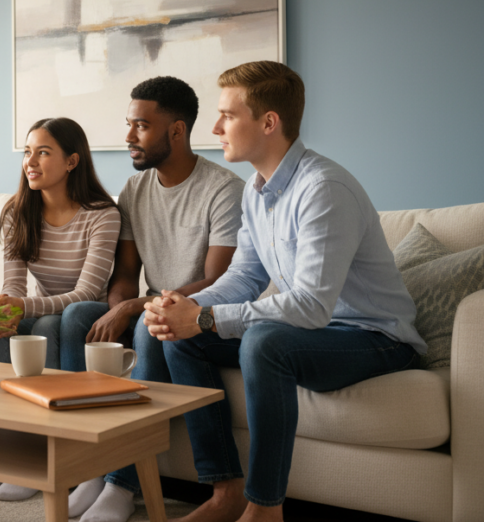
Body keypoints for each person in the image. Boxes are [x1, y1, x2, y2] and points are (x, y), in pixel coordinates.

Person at [142, 61, 425, 522]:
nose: (214, 127)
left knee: (265, 340)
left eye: (227, 116)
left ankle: (264, 508)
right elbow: (244, 277)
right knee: (184, 333)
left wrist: (206, 317)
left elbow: (311, 306)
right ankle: (225, 492)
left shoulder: (324, 189)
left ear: (268, 122)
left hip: (375, 338)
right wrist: (189, 308)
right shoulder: (256, 191)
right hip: (315, 334)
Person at [62, 76, 245, 521]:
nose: (128, 137)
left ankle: (123, 485)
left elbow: (216, 279)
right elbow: (125, 274)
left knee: (148, 322)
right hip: (149, 304)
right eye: (129, 124)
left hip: (203, 315)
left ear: (177, 131)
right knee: (74, 318)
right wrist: (118, 308)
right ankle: (87, 465)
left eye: (141, 126)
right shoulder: (134, 190)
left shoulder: (224, 190)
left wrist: (133, 308)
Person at [0, 116, 120, 502]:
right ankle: (19, 454)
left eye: (43, 152)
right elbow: (14, 286)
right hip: (43, 309)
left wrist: (24, 306)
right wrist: (8, 308)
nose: (30, 162)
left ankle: (71, 459)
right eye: (27, 152)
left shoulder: (102, 215)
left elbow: (88, 291)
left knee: (60, 321)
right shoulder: (17, 212)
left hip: (87, 310)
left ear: (72, 161)